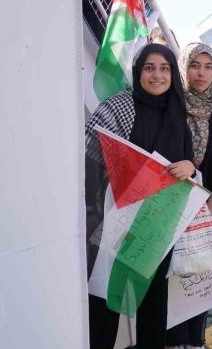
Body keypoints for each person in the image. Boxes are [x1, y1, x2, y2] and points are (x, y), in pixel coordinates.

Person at [85, 44, 196, 349]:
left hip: (157, 224)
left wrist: (190, 167)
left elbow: (187, 161)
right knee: (106, 297)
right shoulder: (116, 108)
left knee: (153, 301)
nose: (157, 75)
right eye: (149, 68)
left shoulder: (178, 116)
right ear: (138, 72)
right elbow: (90, 159)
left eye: (164, 68)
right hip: (114, 219)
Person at [166, 43, 212, 349]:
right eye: (195, 65)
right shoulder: (171, 103)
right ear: (184, 68)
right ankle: (174, 340)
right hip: (171, 199)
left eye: (208, 67)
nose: (202, 73)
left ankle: (195, 340)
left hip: (205, 202)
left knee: (200, 269)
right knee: (172, 273)